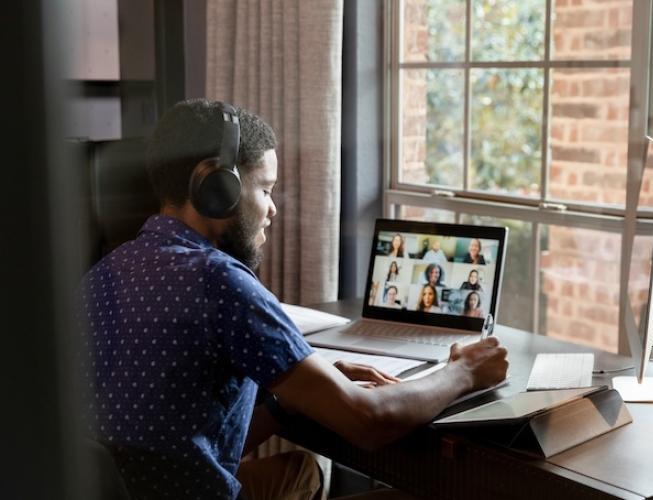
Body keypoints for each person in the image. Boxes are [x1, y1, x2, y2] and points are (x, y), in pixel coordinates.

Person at [80, 99, 508, 500]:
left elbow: (180, 441)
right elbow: (370, 422)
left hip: (140, 490)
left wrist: (294, 400)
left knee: (302, 471)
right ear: (216, 186)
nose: (272, 210)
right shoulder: (220, 282)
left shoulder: (103, 274)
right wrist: (464, 371)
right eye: (265, 189)